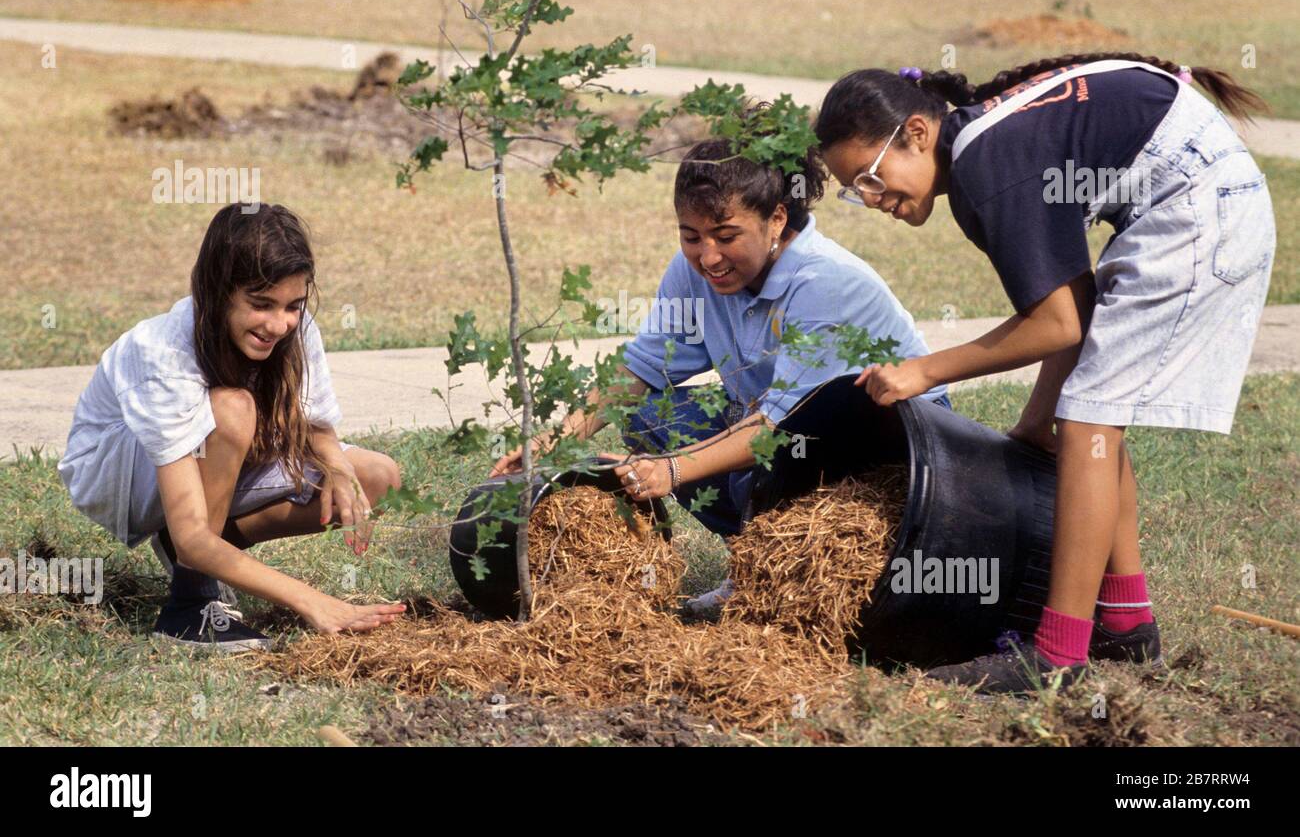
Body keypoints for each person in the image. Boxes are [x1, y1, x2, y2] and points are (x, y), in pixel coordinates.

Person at [815, 54, 1274, 692]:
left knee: (1088, 420)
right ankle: (1126, 626)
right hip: (1192, 205)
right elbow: (1074, 305)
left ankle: (1056, 654)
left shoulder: (986, 166)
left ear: (916, 134)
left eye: (869, 176)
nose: (869, 198)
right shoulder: (982, 149)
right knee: (1088, 412)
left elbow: (1056, 324)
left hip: (1199, 214)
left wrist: (923, 370)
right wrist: (1035, 422)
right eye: (852, 189)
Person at [493, 135, 949, 608]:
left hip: (895, 457)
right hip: (783, 432)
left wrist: (671, 470)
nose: (708, 257)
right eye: (691, 236)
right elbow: (642, 369)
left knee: (762, 464)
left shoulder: (826, 283)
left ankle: (782, 571)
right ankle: (757, 561)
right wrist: (555, 441)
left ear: (776, 218)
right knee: (651, 415)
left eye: (727, 236)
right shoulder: (697, 270)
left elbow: (779, 428)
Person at [58, 203, 407, 651]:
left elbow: (316, 424)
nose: (278, 324)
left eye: (292, 306)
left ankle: (200, 544)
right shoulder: (163, 354)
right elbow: (195, 527)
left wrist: (338, 469)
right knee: (233, 411)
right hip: (114, 475)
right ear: (219, 291)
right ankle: (188, 607)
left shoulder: (293, 331)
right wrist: (315, 601)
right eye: (261, 304)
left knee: (377, 478)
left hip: (208, 454)